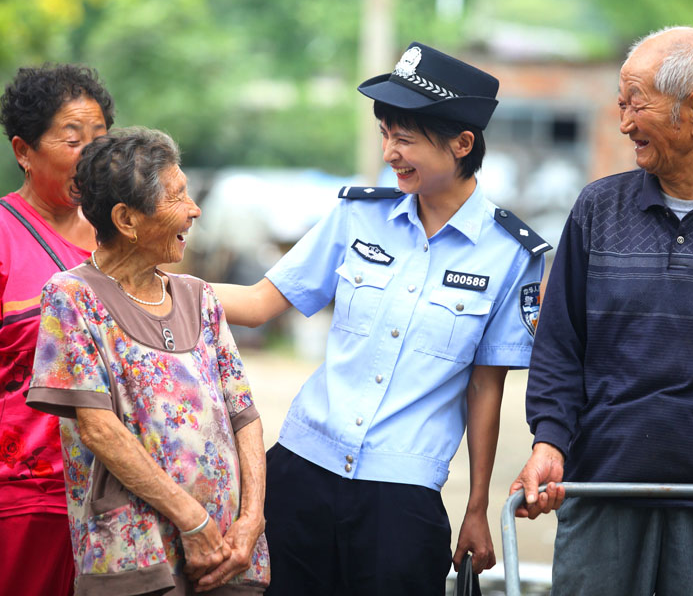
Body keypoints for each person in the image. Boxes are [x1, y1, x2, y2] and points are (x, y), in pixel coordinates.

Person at [212, 42, 550, 595]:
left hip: (401, 500)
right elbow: (258, 303)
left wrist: (476, 507)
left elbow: (485, 387)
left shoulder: (514, 254)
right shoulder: (357, 214)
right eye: (386, 134)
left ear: (463, 144)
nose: (390, 152)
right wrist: (146, 284)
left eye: (406, 138)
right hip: (301, 473)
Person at [511, 26, 693, 595]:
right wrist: (550, 439)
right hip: (600, 500)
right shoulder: (598, 209)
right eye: (620, 104)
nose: (623, 123)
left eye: (636, 104)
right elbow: (560, 346)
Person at [26, 127, 271, 595]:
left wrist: (251, 520)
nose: (194, 210)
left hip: (230, 550)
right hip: (138, 553)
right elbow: (98, 429)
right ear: (126, 219)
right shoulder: (72, 297)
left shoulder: (199, 298)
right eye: (178, 197)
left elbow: (245, 416)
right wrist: (193, 523)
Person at [0, 63, 114, 596]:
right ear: (24, 150)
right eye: (72, 139)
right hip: (25, 496)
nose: (89, 154)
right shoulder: (4, 235)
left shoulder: (123, 235)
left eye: (99, 140)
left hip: (115, 491)